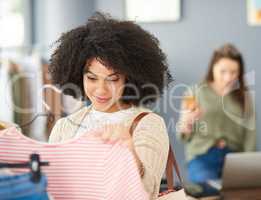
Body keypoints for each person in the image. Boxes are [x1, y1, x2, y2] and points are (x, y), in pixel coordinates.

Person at [48, 12, 172, 200]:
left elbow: (146, 192)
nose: (101, 90)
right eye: (91, 78)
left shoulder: (148, 125)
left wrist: (130, 154)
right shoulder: (64, 127)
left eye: (112, 79)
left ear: (129, 79)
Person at [177, 43, 256, 197]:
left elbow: (250, 135)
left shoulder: (244, 97)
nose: (228, 77)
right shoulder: (195, 92)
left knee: (244, 193)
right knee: (210, 192)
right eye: (223, 71)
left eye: (234, 72)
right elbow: (183, 135)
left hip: (236, 158)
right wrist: (187, 121)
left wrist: (249, 166)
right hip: (202, 155)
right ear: (213, 68)